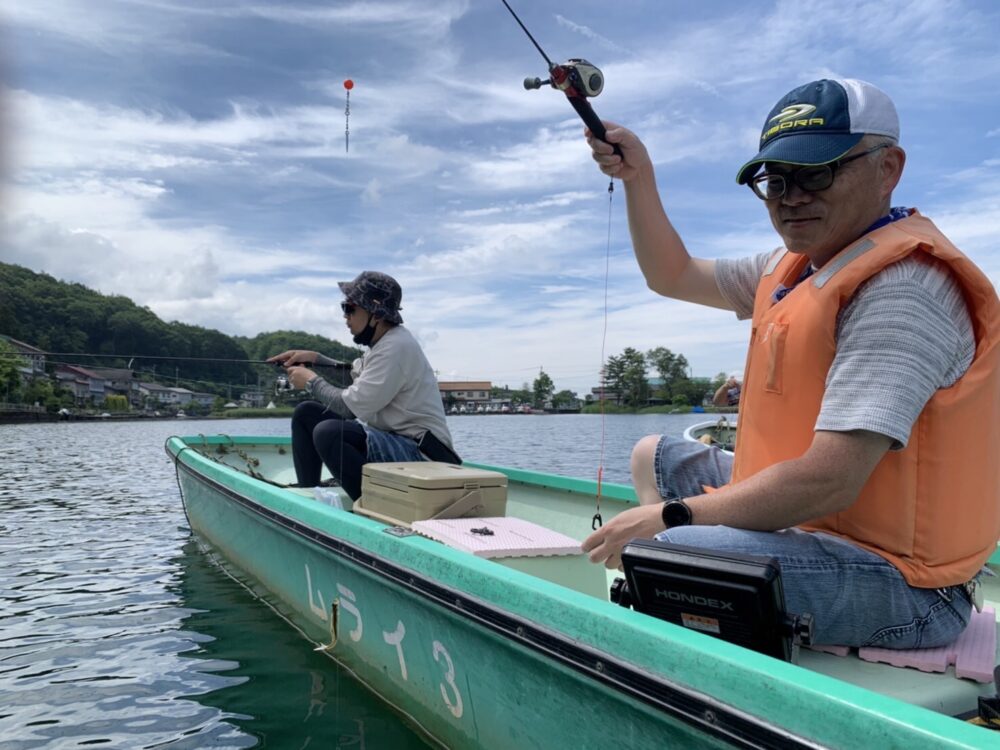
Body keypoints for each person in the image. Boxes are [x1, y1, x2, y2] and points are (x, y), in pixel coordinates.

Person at [581, 79, 1000, 649]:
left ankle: (696, 612)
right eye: (776, 180)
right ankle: (704, 602)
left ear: (889, 168)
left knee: (664, 551)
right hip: (812, 524)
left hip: (908, 585)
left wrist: (673, 519)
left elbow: (831, 479)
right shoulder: (794, 265)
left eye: (818, 172)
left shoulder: (904, 288)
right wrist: (639, 177)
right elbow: (672, 274)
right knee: (653, 456)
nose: (791, 196)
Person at [268, 271, 458, 500]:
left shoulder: (395, 348)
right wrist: (316, 359)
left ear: (375, 313)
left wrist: (311, 381)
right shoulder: (383, 344)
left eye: (349, 308)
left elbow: (348, 408)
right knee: (306, 413)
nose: (345, 316)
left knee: (329, 434)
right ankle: (309, 492)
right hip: (398, 442)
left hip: (422, 454)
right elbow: (354, 373)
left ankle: (372, 508)